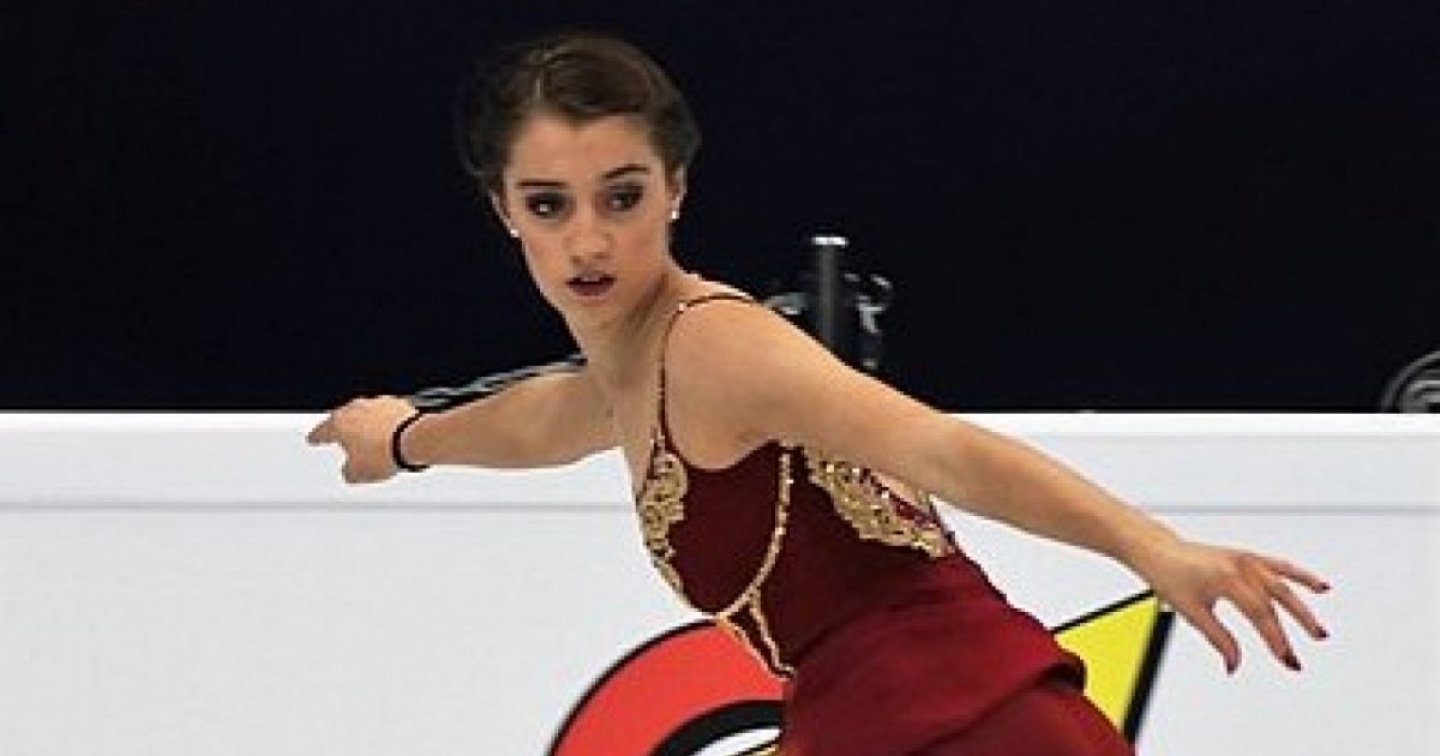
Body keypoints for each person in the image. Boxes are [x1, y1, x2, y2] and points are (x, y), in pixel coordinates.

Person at [307, 30, 1330, 755]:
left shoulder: (715, 345)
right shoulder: (635, 368)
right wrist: (403, 439)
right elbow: (544, 418)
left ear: (676, 188)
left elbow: (941, 449)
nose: (588, 240)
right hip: (874, 718)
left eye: (621, 197)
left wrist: (1152, 549)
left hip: (959, 718)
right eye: (549, 204)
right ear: (502, 209)